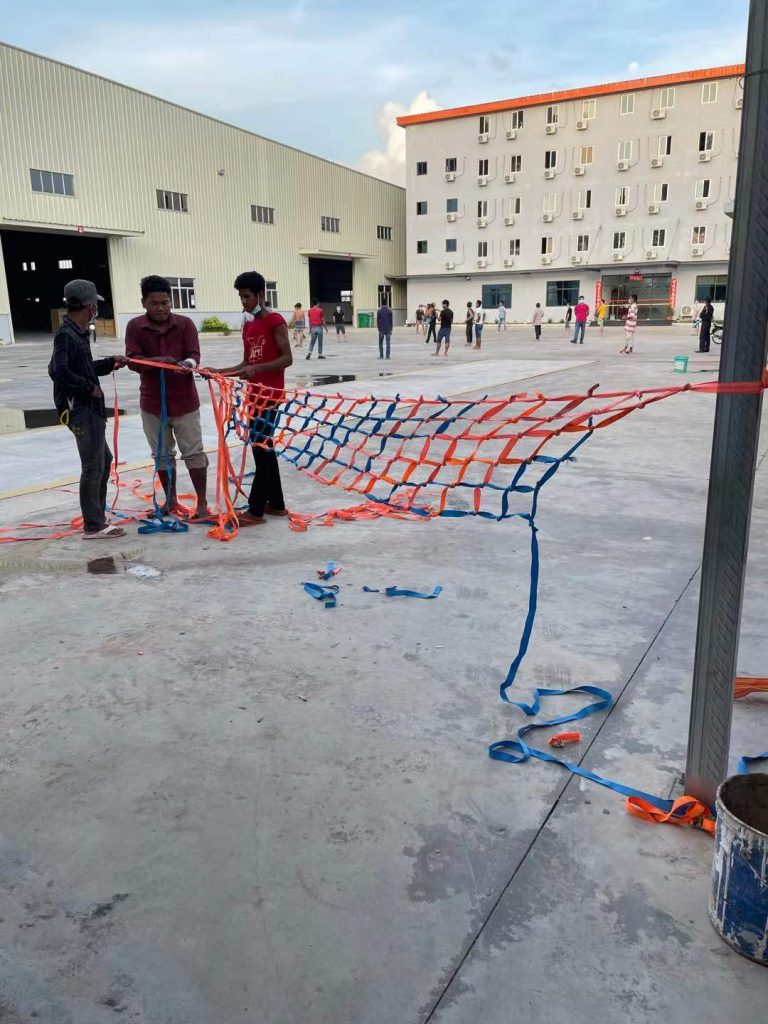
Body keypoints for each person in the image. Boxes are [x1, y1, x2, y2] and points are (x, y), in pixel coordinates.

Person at [210, 271, 293, 526]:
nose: (243, 301)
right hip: (253, 397)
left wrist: (256, 371)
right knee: (264, 449)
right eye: (240, 297)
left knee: (261, 449)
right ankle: (277, 504)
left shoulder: (275, 321)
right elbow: (247, 362)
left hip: (270, 397)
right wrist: (220, 372)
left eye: (247, 296)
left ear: (261, 294)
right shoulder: (248, 326)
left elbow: (286, 358)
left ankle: (256, 510)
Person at [48, 279, 128, 539]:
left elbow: (83, 367)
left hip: (89, 407)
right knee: (93, 466)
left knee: (104, 460)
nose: (97, 309)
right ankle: (93, 525)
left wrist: (109, 363)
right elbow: (58, 371)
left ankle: (97, 516)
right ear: (90, 305)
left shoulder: (77, 332)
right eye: (96, 305)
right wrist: (87, 388)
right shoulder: (66, 335)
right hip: (80, 409)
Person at [125, 275, 210, 518]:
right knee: (162, 455)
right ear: (144, 303)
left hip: (185, 402)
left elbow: (194, 354)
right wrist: (159, 362)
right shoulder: (134, 327)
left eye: (165, 302)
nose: (161, 308)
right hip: (152, 404)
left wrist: (188, 363)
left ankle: (202, 504)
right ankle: (170, 501)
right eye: (155, 303)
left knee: (194, 452)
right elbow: (133, 360)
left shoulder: (185, 324)